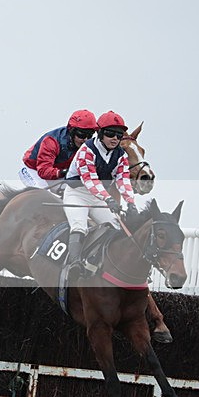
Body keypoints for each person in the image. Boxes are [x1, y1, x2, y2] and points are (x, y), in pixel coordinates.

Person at [62, 110, 138, 279]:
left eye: (119, 135)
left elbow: (123, 180)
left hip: (98, 197)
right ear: (101, 133)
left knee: (116, 228)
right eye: (110, 133)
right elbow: (90, 180)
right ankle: (74, 264)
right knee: (79, 226)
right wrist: (108, 198)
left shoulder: (121, 155)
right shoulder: (86, 150)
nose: (115, 139)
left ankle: (104, 263)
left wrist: (131, 203)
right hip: (77, 194)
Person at [19, 109, 98, 189]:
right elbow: (43, 171)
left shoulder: (88, 145)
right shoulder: (51, 141)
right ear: (72, 131)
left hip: (57, 171)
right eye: (81, 135)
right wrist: (63, 172)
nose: (85, 140)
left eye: (89, 135)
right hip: (33, 169)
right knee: (42, 194)